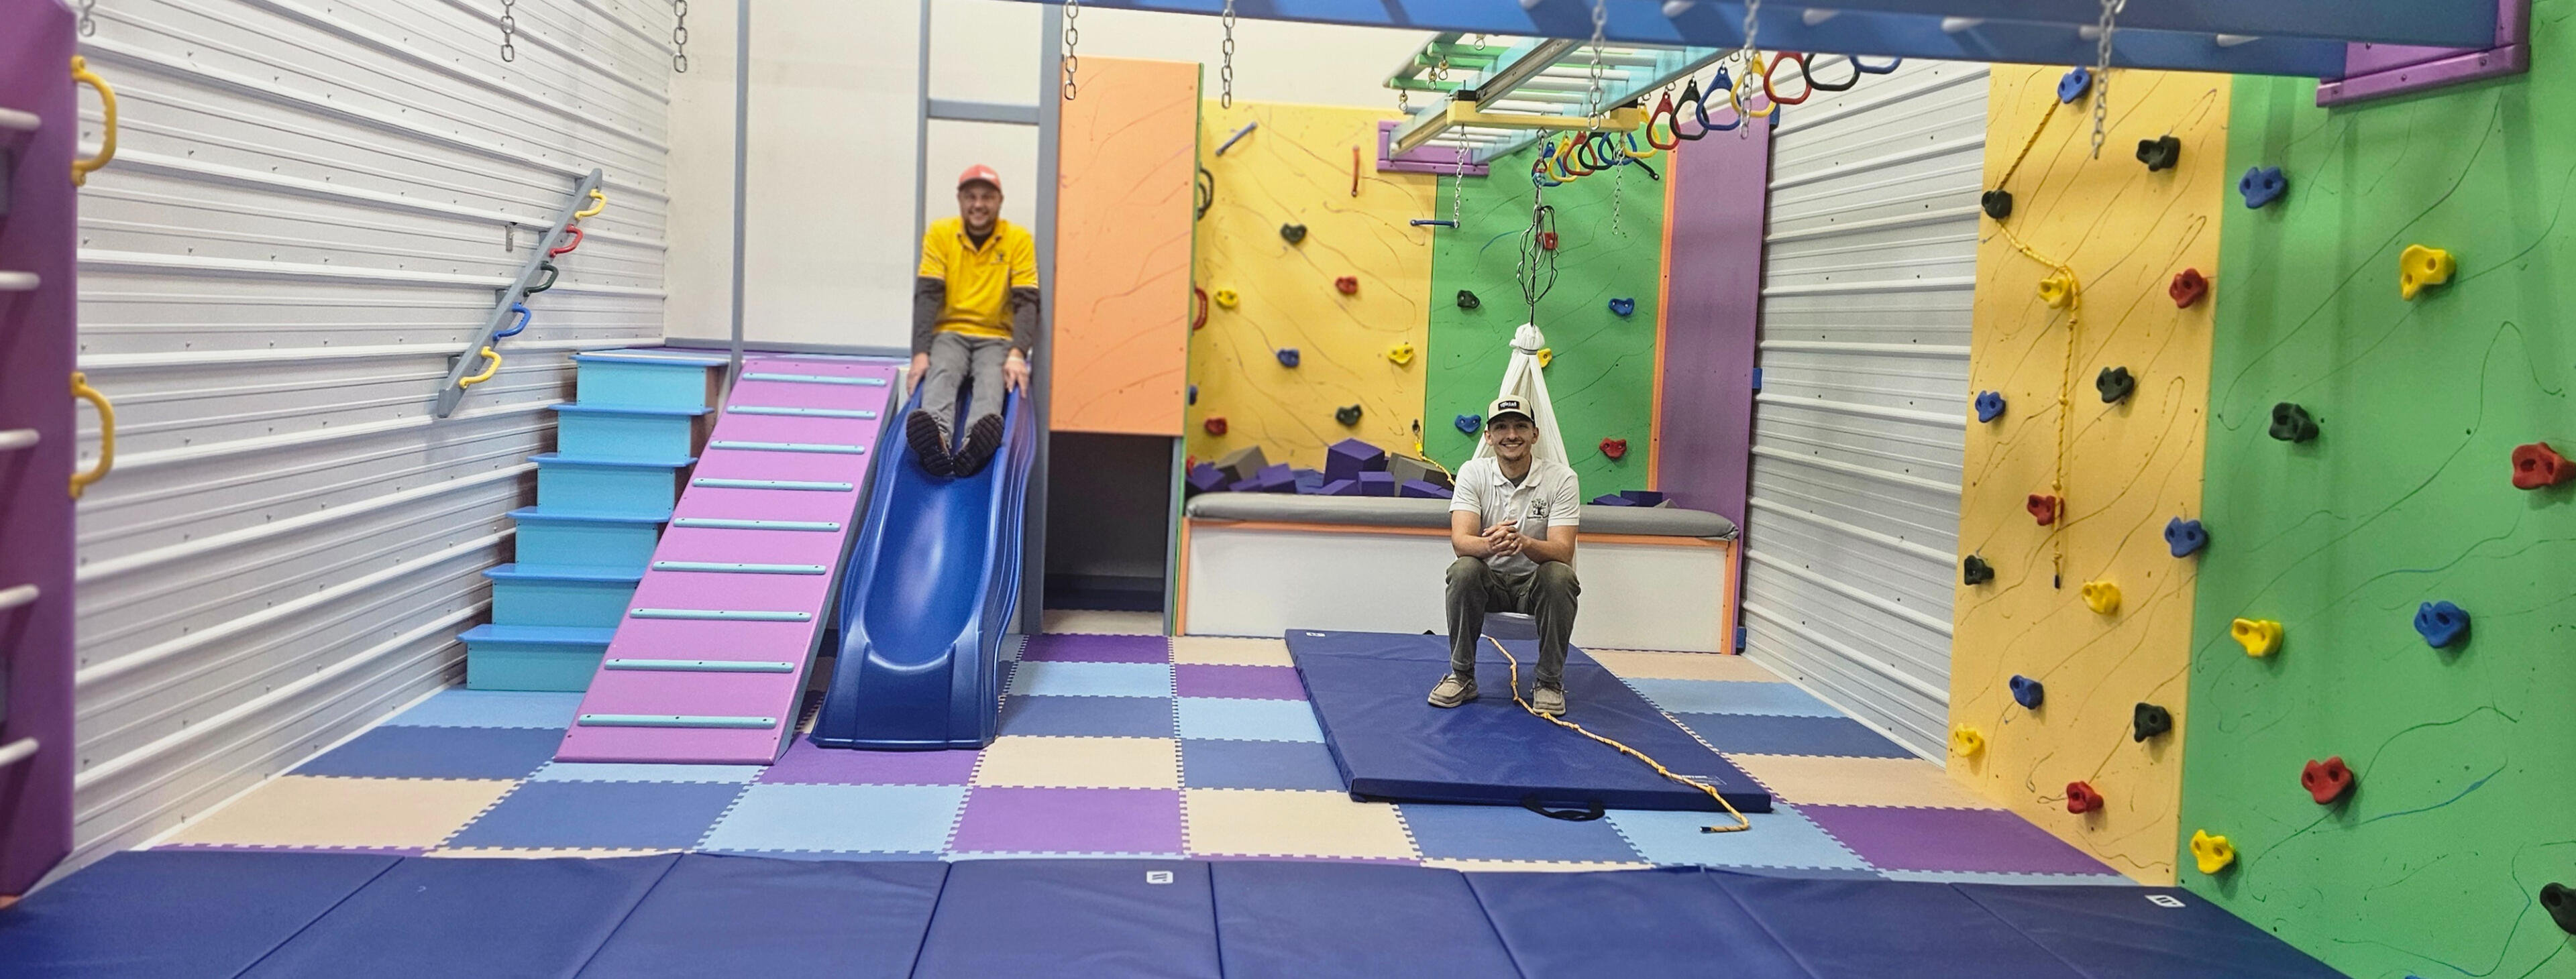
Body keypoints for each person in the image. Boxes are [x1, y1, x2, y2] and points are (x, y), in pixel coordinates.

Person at [1428, 396, 1582, 716]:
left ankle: (1550, 681)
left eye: (1520, 426)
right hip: (1490, 586)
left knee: (1561, 575)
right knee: (1463, 570)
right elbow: (1461, 541)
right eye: (1501, 427)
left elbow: (1563, 551)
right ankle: (1462, 676)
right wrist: (1493, 545)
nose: (1511, 434)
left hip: (1534, 587)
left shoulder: (1562, 479)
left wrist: (1523, 542)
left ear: (1535, 434)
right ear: (1488, 436)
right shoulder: (1473, 473)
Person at [908, 164, 1038, 477]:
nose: (978, 204)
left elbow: (1027, 301)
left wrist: (1018, 353)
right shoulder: (941, 234)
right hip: (950, 332)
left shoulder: (1017, 239)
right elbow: (928, 295)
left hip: (997, 337)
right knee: (942, 371)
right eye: (971, 197)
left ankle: (973, 448)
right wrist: (920, 352)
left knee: (992, 383)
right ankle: (936, 441)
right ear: (960, 199)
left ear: (999, 201)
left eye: (986, 197)